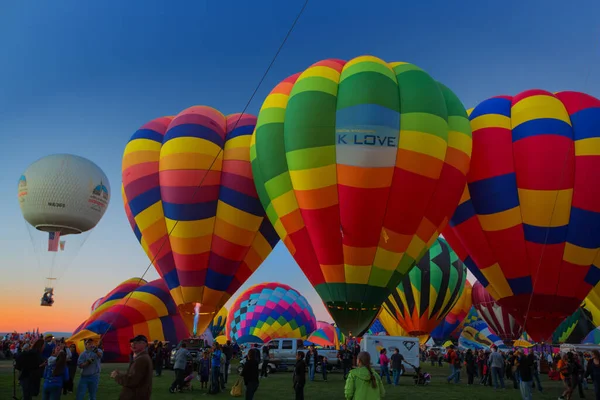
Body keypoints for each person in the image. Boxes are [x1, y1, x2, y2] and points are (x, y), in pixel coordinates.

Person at [111, 335, 153, 400]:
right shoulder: (142, 357)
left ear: (145, 344)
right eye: (132, 342)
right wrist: (121, 374)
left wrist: (117, 376)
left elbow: (132, 381)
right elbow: (136, 375)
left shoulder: (141, 359)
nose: (133, 344)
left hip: (134, 396)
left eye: (137, 342)